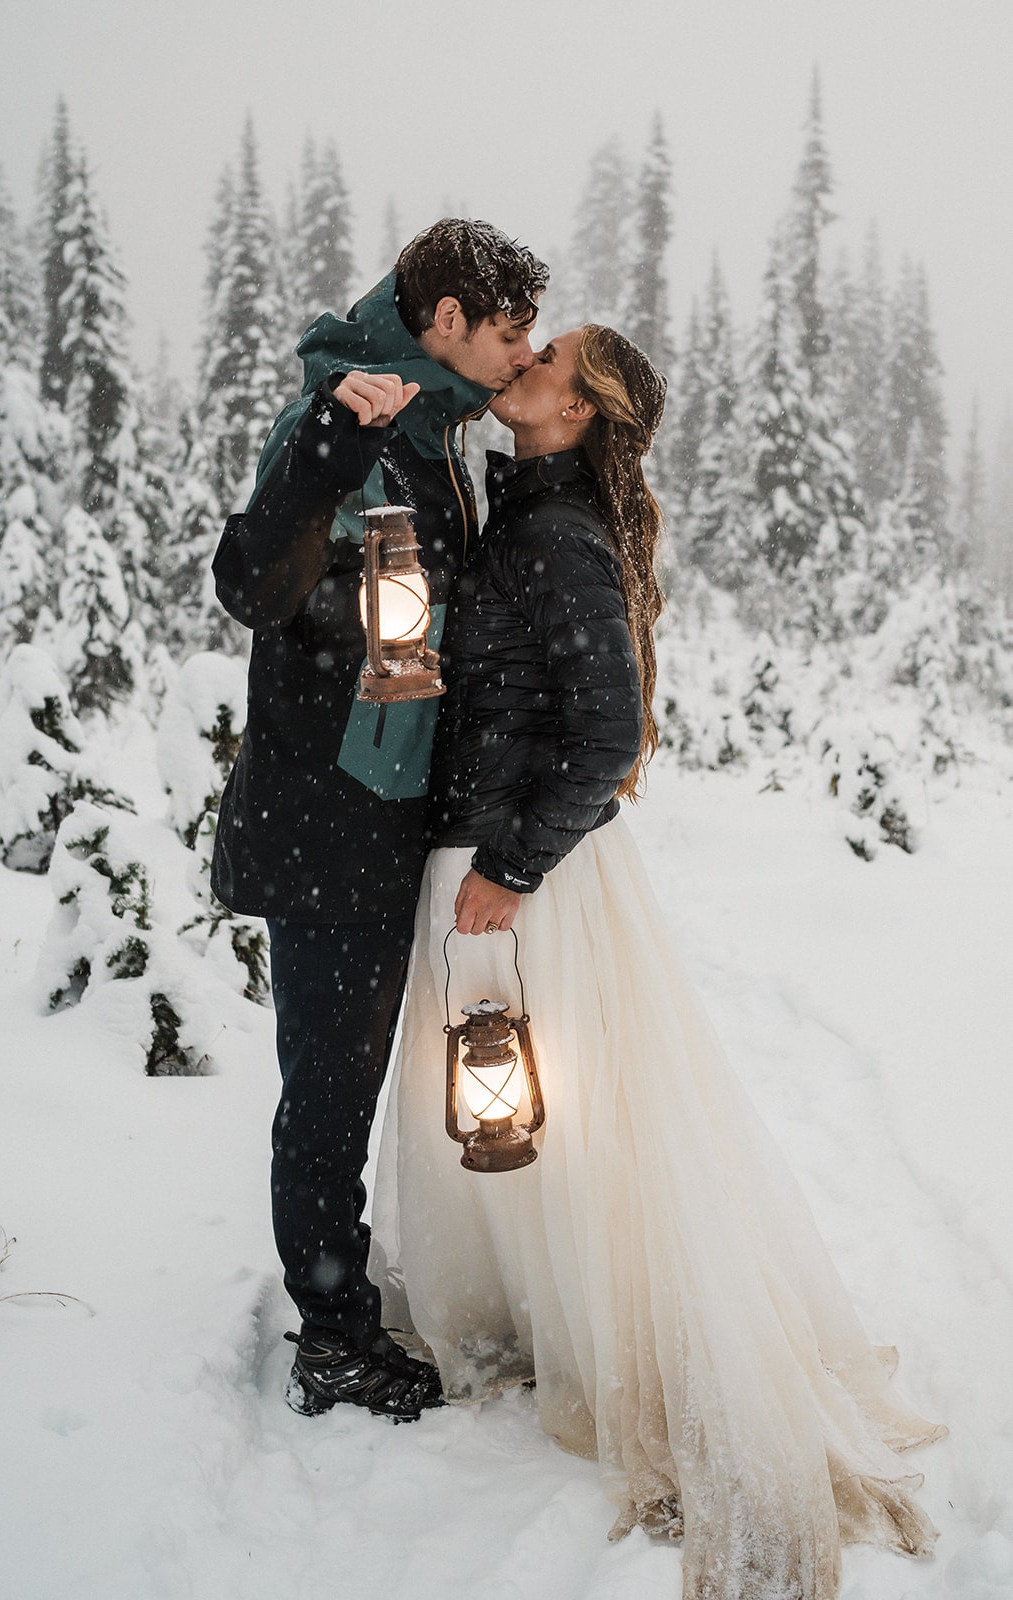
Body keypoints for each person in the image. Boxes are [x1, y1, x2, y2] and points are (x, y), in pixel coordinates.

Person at [370, 325, 946, 1598]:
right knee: (521, 1116)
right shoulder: (519, 506)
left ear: (577, 409)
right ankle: (534, 1313)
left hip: (523, 882)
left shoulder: (559, 533)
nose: (520, 361)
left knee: (565, 1124)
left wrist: (505, 871)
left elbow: (607, 731)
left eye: (548, 357)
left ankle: (618, 1345)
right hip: (491, 866)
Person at [210, 219, 549, 1421]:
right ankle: (334, 1336)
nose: (524, 354)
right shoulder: (342, 416)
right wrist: (323, 440)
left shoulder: (442, 426)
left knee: (388, 1082)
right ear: (446, 317)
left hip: (401, 815)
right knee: (328, 1093)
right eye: (509, 333)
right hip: (328, 821)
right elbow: (252, 584)